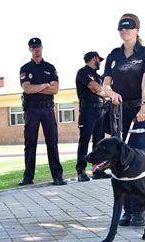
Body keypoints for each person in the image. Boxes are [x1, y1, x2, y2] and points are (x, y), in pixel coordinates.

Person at [102, 14, 145, 227]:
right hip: (120, 114)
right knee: (119, 161)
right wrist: (110, 93)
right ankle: (127, 210)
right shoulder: (114, 55)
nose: (125, 31)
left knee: (137, 159)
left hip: (140, 111)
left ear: (137, 29)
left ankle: (141, 210)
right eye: (121, 28)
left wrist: (144, 105)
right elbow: (105, 84)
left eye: (129, 27)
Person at [18, 37, 67, 186]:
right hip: (31, 109)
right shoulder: (25, 68)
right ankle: (28, 177)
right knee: (30, 143)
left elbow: (55, 89)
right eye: (33, 47)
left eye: (38, 46)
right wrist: (45, 85)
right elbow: (27, 88)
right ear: (30, 50)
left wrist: (37, 88)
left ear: (42, 47)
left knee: (52, 142)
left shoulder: (50, 67)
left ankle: (57, 176)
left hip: (47, 109)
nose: (36, 49)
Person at [75, 51, 111, 182]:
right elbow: (94, 88)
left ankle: (97, 170)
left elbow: (100, 89)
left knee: (99, 143)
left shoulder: (98, 76)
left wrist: (103, 92)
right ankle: (81, 171)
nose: (100, 62)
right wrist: (105, 92)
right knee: (84, 141)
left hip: (100, 111)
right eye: (99, 60)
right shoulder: (83, 72)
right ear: (94, 58)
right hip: (87, 110)